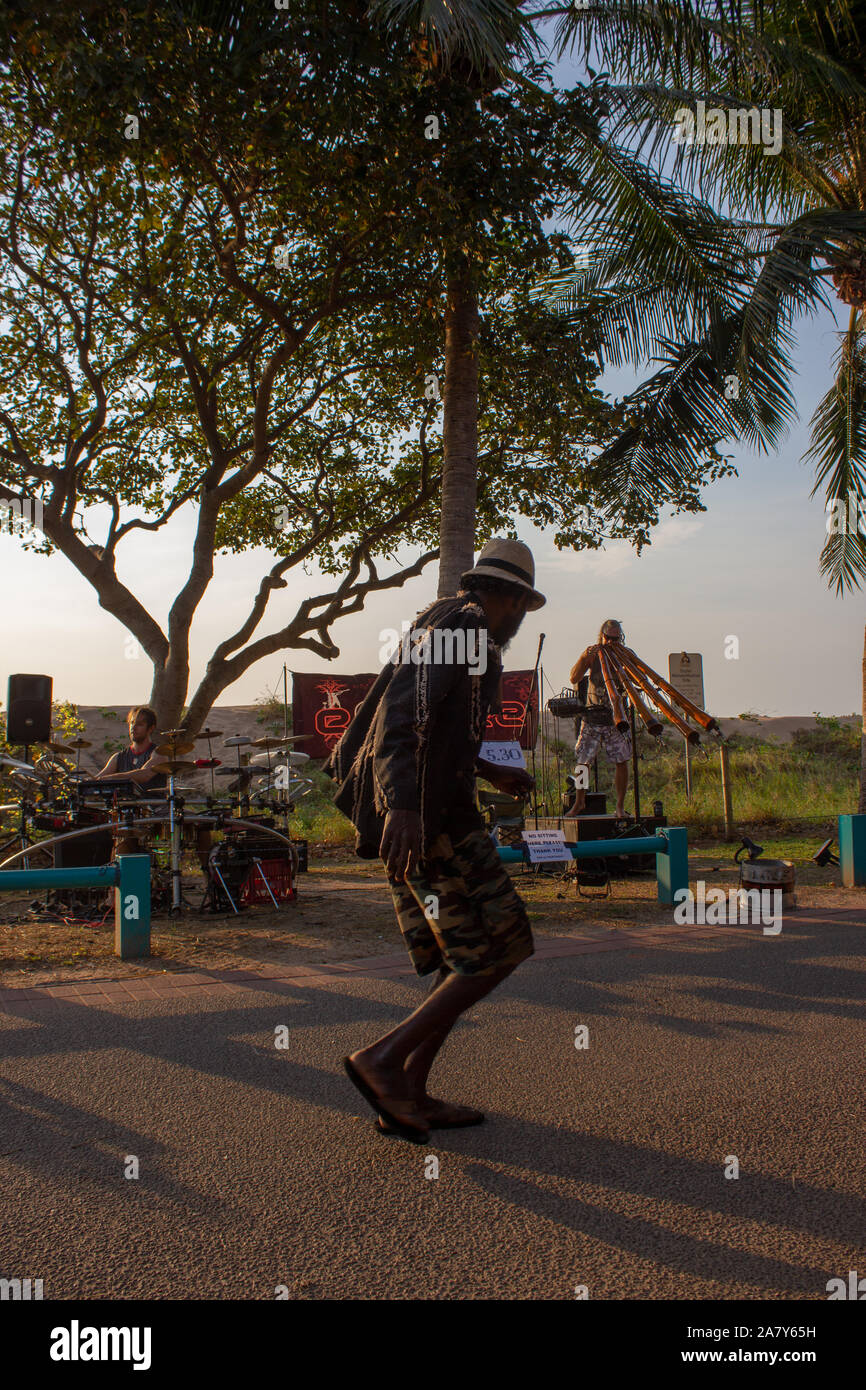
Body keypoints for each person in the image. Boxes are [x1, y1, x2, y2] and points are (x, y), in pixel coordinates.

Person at [326, 538, 544, 1143]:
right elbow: (401, 717)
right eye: (522, 605)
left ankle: (409, 1091)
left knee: (465, 955)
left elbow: (439, 725)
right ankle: (381, 1061)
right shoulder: (463, 628)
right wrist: (400, 806)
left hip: (438, 813)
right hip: (430, 822)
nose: (521, 619)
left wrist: (489, 767)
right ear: (510, 597)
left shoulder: (455, 631)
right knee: (501, 947)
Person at [565, 619, 632, 820]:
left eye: (616, 638)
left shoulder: (626, 655)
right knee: (583, 763)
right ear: (601, 636)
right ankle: (579, 802)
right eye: (608, 638)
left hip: (615, 717)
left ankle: (619, 806)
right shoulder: (593, 654)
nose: (611, 642)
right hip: (593, 716)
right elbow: (574, 677)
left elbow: (636, 679)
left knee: (622, 761)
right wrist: (584, 657)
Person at [95, 707, 168, 792]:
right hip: (124, 804)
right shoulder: (118, 757)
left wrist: (110, 778)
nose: (133, 727)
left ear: (151, 728)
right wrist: (81, 781)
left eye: (139, 724)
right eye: (132, 723)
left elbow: (144, 775)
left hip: (153, 804)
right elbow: (97, 778)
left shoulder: (159, 753)